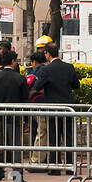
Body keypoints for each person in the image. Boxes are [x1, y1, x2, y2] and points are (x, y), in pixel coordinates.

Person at [29, 42, 78, 173]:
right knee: (68, 137)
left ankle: (55, 167)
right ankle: (69, 166)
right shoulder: (69, 67)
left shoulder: (46, 69)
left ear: (48, 54)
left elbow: (37, 86)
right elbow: (76, 85)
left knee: (54, 137)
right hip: (68, 106)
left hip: (52, 107)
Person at [0, 49, 29, 182]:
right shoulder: (20, 78)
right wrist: (26, 119)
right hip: (15, 117)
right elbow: (25, 100)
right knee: (16, 148)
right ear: (13, 61)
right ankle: (17, 177)